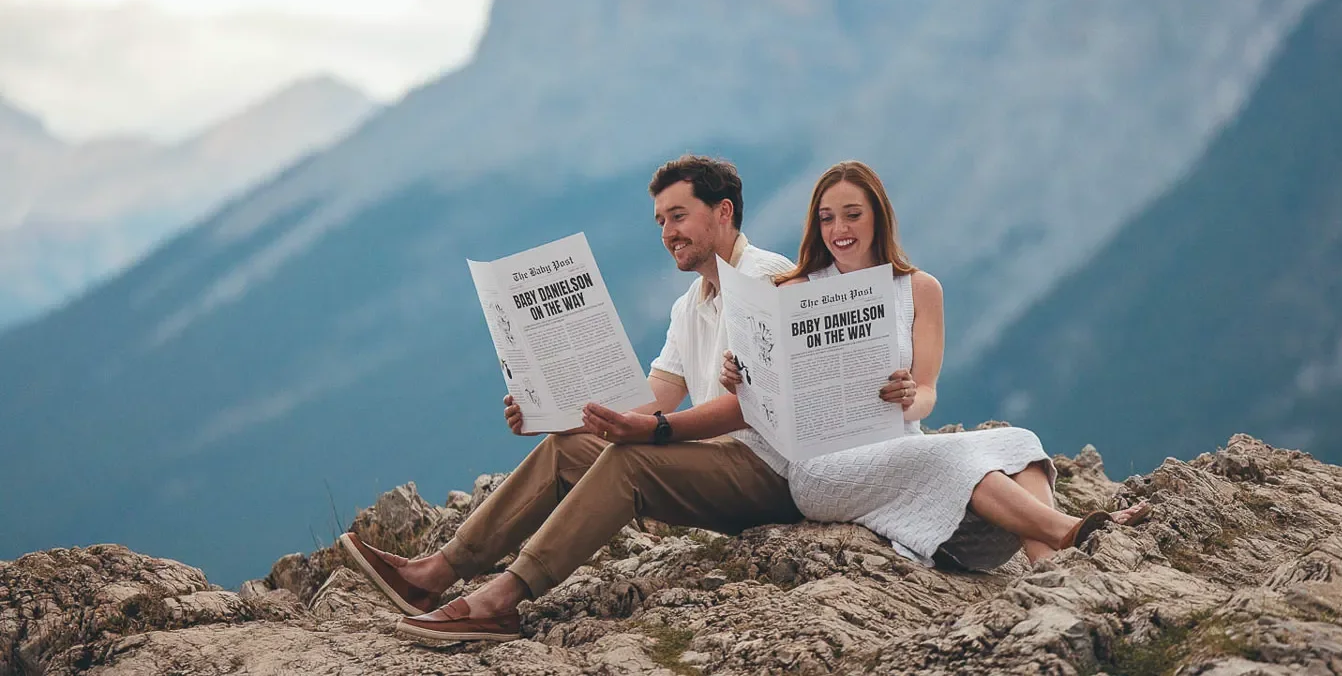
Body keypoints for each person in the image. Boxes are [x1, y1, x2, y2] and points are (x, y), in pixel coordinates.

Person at [338, 155, 800, 643]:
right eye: (661, 221)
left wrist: (652, 431)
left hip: (768, 470)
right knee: (565, 449)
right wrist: (556, 415)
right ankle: (434, 574)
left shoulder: (766, 277)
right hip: (718, 466)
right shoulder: (689, 304)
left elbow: (753, 406)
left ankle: (502, 599)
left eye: (679, 215)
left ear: (724, 212)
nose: (667, 232)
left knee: (631, 461)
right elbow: (656, 396)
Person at [722, 160, 1148, 571]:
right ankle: (1070, 530)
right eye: (827, 218)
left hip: (898, 440)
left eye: (853, 215)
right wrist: (739, 377)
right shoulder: (793, 292)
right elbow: (770, 392)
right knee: (944, 457)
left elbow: (927, 392)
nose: (840, 230)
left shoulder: (920, 290)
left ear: (879, 218)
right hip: (824, 467)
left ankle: (1050, 567)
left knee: (1021, 442)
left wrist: (907, 398)